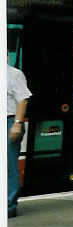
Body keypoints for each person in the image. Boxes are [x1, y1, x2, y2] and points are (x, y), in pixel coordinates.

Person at [7, 64, 31, 218]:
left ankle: (9, 205)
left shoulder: (14, 74)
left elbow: (23, 99)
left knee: (8, 165)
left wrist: (17, 123)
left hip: (9, 120)